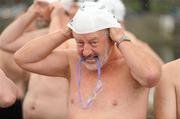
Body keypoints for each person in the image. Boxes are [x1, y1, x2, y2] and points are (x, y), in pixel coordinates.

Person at [14, 2, 161, 119]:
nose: (86, 52)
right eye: (80, 43)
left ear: (111, 37)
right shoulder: (72, 61)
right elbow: (23, 59)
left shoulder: (131, 64)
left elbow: (151, 77)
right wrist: (64, 33)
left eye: (93, 43)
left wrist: (121, 37)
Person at [0, 0, 75, 119]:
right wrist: (31, 13)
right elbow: (5, 42)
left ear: (56, 6)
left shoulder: (76, 38)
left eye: (41, 4)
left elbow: (59, 47)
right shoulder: (42, 35)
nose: (37, 8)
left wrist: (57, 15)